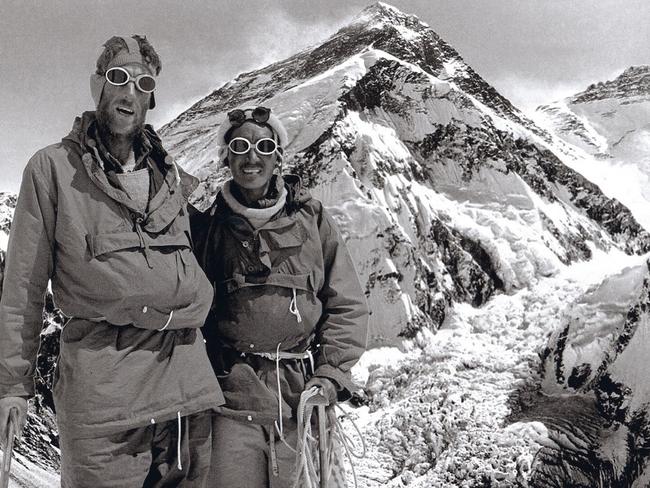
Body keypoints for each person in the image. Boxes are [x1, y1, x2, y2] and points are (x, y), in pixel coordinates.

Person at [0, 35, 223, 487]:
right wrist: (13, 386)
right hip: (105, 403)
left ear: (151, 98)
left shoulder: (170, 175)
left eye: (143, 84)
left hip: (185, 394)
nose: (130, 93)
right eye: (119, 79)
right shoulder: (53, 170)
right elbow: (23, 288)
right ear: (98, 86)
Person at [191, 106, 369, 486]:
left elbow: (345, 302)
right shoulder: (209, 230)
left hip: (301, 399)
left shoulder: (312, 220)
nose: (252, 156)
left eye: (263, 146)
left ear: (278, 157)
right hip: (230, 403)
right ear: (227, 157)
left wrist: (330, 373)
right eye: (240, 146)